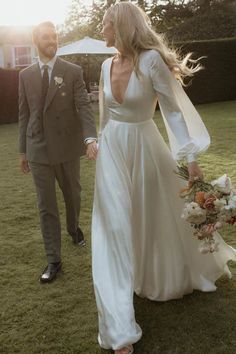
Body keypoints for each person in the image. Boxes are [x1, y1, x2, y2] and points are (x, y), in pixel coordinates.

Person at [89, 3, 236, 354]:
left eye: (106, 23)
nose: (101, 29)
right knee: (112, 230)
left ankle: (160, 274)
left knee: (154, 217)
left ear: (122, 26)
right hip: (112, 154)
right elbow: (105, 117)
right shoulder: (106, 65)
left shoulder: (152, 60)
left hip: (146, 149)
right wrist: (98, 144)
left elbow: (173, 111)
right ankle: (119, 327)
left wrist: (191, 159)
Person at [18, 21, 97, 283]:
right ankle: (54, 260)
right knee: (46, 206)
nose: (52, 41)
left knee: (73, 196)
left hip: (66, 147)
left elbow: (84, 106)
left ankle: (74, 229)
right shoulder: (25, 75)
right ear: (35, 41)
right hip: (37, 149)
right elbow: (24, 114)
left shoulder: (72, 71)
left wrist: (89, 138)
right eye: (45, 37)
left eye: (54, 36)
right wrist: (22, 150)